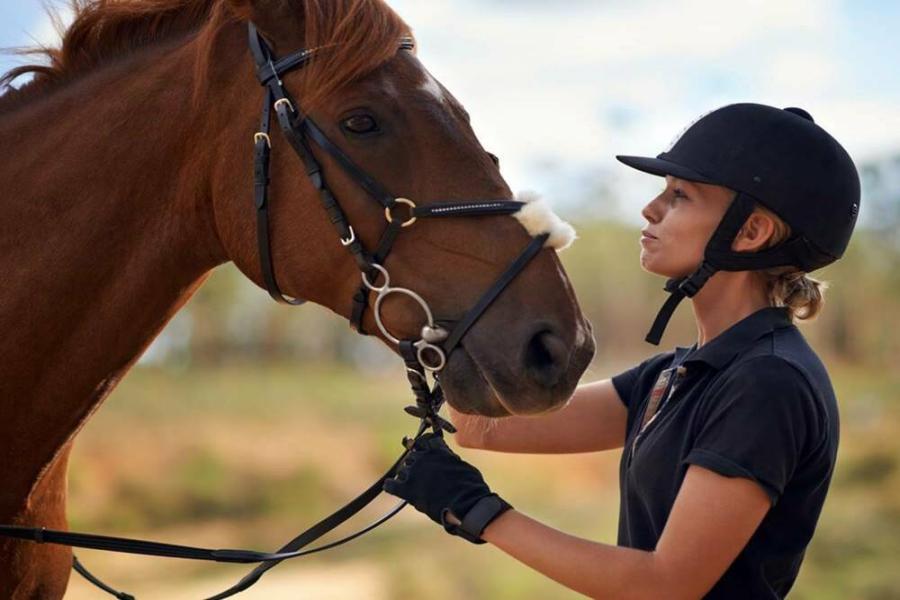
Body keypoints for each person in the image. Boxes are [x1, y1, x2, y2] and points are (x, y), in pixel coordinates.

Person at [383, 103, 860, 599]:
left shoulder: (767, 381)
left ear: (751, 232)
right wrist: (442, 311)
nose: (650, 209)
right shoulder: (676, 376)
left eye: (680, 196)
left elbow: (666, 585)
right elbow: (482, 429)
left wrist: (480, 512)